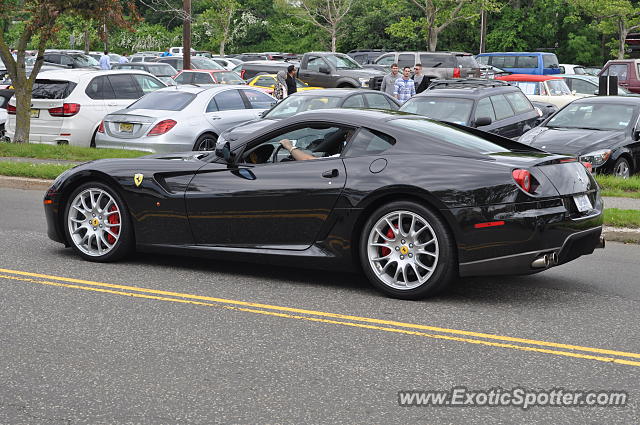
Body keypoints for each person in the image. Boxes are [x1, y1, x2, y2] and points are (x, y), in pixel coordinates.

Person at [278, 128, 354, 161]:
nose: (345, 137)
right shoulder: (357, 155)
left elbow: (307, 160)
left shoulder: (348, 158)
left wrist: (289, 146)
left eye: (349, 135)